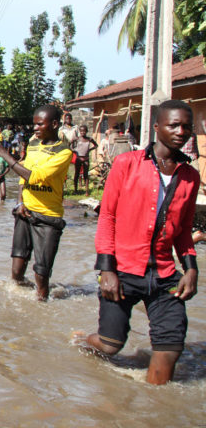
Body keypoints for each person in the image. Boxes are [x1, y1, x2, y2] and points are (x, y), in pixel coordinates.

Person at [79, 100, 198, 384]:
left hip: (164, 275)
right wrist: (106, 270)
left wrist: (191, 269)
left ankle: (153, 410)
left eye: (186, 126)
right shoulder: (127, 164)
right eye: (173, 125)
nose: (181, 131)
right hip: (122, 270)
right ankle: (82, 342)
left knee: (170, 348)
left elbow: (183, 231)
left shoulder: (190, 177)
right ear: (157, 128)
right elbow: (107, 216)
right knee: (111, 344)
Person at [0, 104, 73, 301]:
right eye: (34, 124)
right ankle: (19, 313)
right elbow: (22, 177)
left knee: (41, 277)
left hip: (48, 217)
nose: (34, 128)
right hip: (25, 212)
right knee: (16, 272)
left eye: (39, 124)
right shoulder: (33, 144)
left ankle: (42, 308)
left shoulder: (63, 153)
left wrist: (4, 154)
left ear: (54, 124)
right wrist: (19, 203)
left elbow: (34, 176)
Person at [71, 125, 96, 193]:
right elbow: (71, 144)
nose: (83, 132)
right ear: (79, 131)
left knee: (85, 175)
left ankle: (87, 190)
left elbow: (96, 145)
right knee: (77, 174)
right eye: (81, 131)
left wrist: (89, 150)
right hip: (78, 158)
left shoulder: (89, 139)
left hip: (86, 158)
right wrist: (74, 150)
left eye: (84, 131)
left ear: (86, 131)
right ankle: (75, 190)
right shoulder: (77, 139)